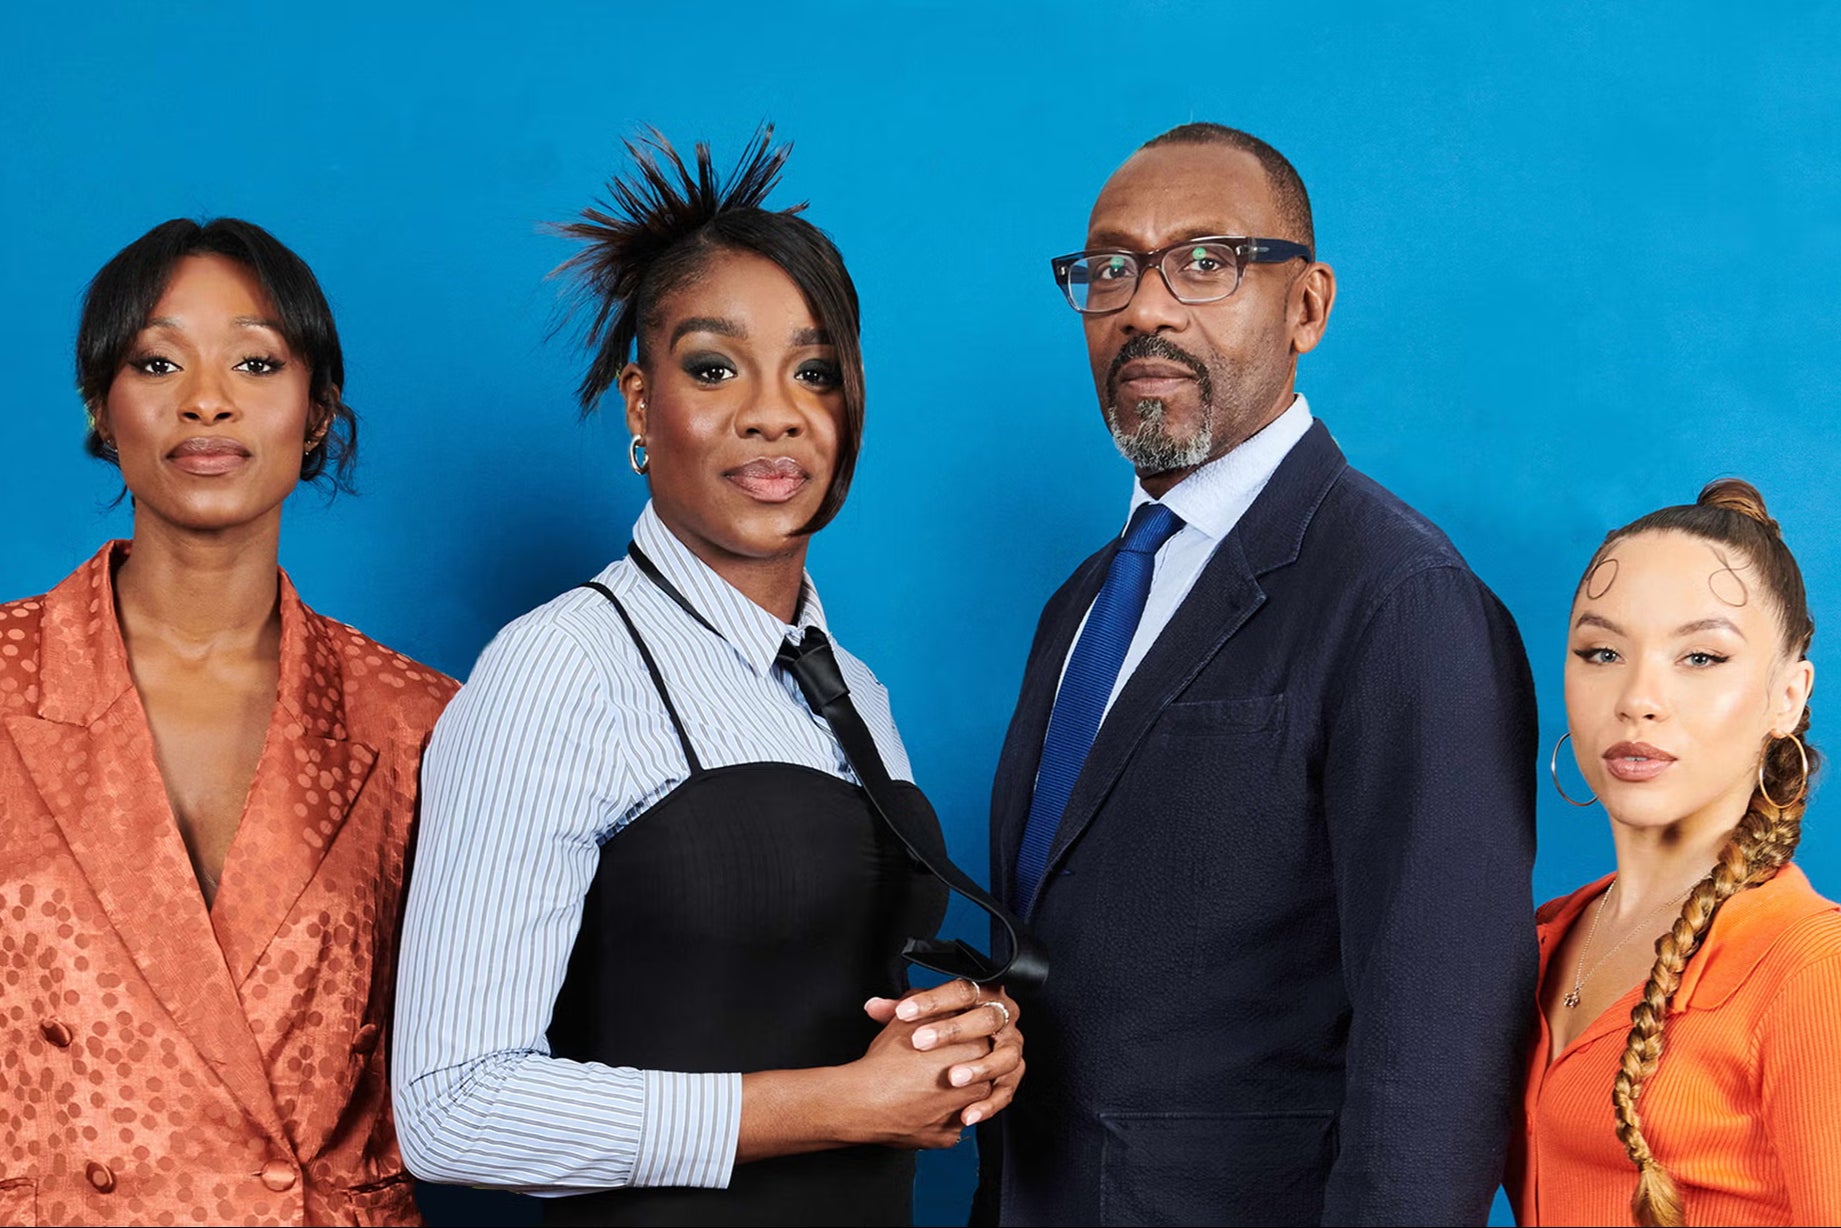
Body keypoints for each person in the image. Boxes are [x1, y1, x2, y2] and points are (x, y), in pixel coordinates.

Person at [392, 130, 1027, 1227]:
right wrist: (842, 1104)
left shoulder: (855, 690)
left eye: (813, 371)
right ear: (641, 409)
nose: (771, 412)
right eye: (713, 367)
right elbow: (451, 1109)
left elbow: (806, 993)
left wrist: (956, 1043)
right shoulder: (560, 665)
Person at [979, 122, 1539, 1226]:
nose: (1143, 307)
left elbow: (1439, 1047)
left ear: (1307, 307)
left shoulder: (1398, 598)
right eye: (1109, 269)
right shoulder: (1081, 603)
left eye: (1205, 262)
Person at [0, 218, 456, 1226]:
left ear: (318, 411)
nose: (206, 399)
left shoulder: (419, 721)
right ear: (98, 407)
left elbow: (516, 1041)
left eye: (256, 361)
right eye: (157, 361)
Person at [1510, 479, 1840, 1227]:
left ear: (1785, 697)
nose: (1637, 697)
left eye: (1698, 657)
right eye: (1600, 651)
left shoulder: (1813, 973)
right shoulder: (1541, 940)